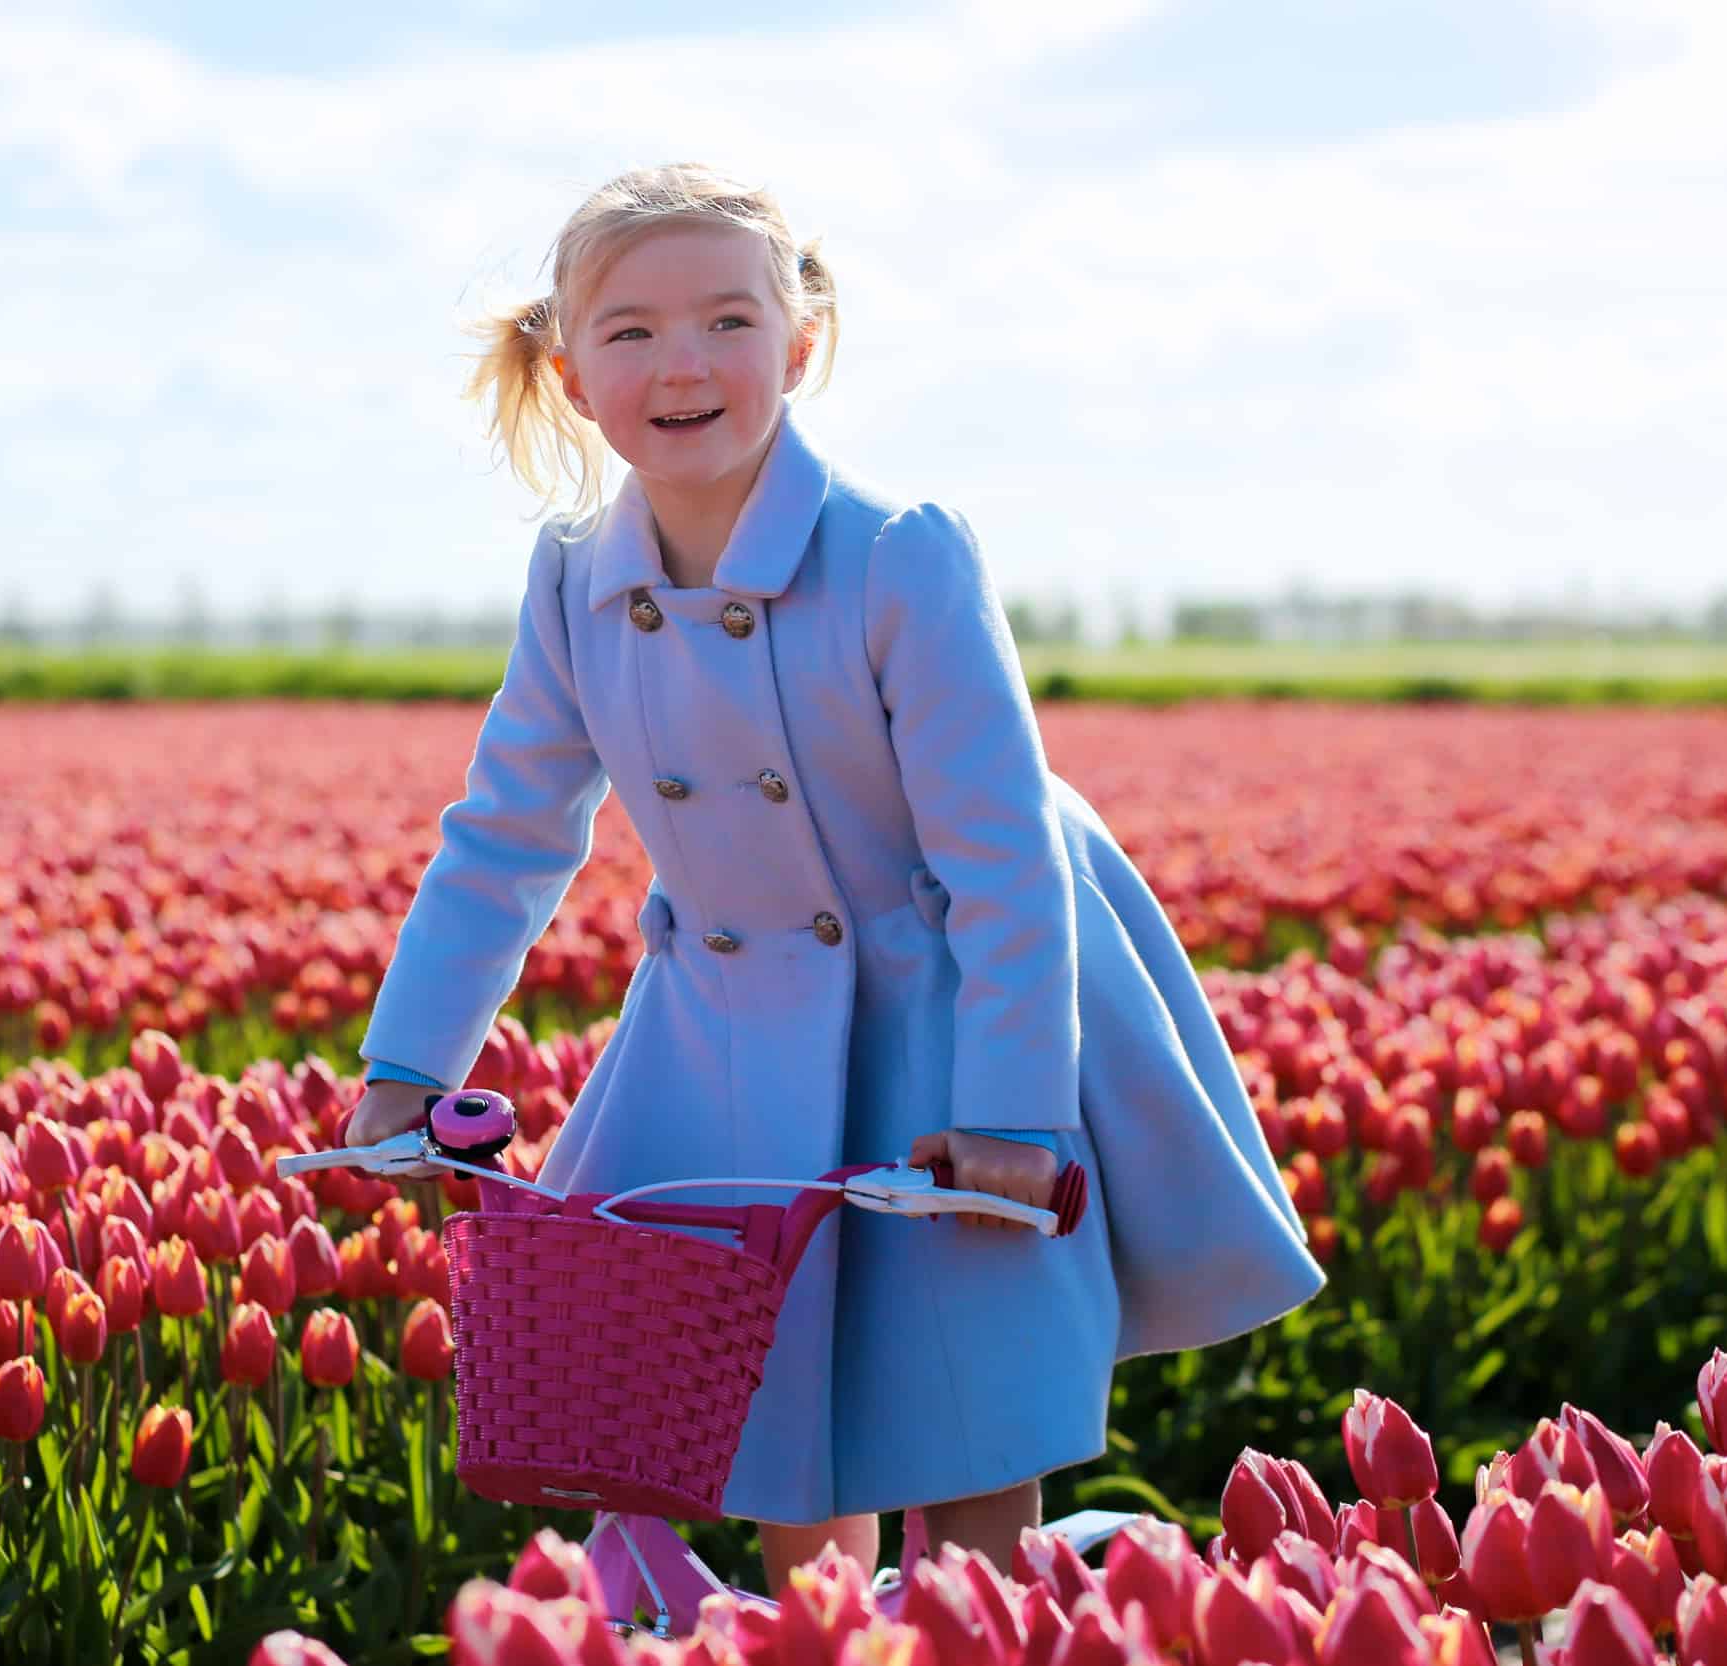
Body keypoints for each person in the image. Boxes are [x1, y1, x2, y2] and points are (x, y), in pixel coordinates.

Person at [342, 161, 1323, 1587]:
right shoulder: (572, 581)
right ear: (568, 374)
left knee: (964, 1399)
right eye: (629, 332)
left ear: (799, 345)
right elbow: (507, 833)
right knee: (770, 1401)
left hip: (945, 1013)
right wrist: (406, 1069)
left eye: (727, 321)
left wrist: (1009, 1116)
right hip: (731, 1022)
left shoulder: (896, 556)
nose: (682, 364)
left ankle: (988, 1615)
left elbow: (1000, 862)